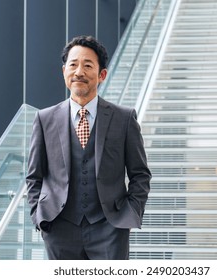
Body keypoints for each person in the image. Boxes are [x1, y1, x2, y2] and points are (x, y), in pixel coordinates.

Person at [26, 35, 151, 260]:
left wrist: (129, 215)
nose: (79, 72)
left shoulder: (124, 118)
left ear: (102, 74)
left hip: (110, 229)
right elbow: (34, 176)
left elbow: (140, 174)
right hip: (59, 228)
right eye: (73, 65)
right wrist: (39, 216)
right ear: (64, 71)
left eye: (87, 65)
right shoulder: (44, 119)